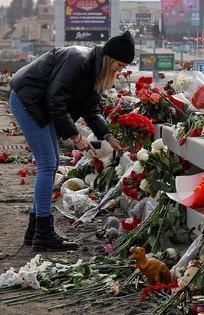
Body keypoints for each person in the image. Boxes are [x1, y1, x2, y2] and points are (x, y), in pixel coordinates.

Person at [9, 31, 134, 251]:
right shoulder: (79, 60)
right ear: (109, 58)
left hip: (39, 104)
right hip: (28, 99)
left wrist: (108, 136)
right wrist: (75, 136)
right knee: (48, 164)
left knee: (52, 162)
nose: (120, 71)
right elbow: (55, 99)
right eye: (119, 65)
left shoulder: (94, 70)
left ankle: (35, 229)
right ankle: (43, 234)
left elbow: (90, 109)